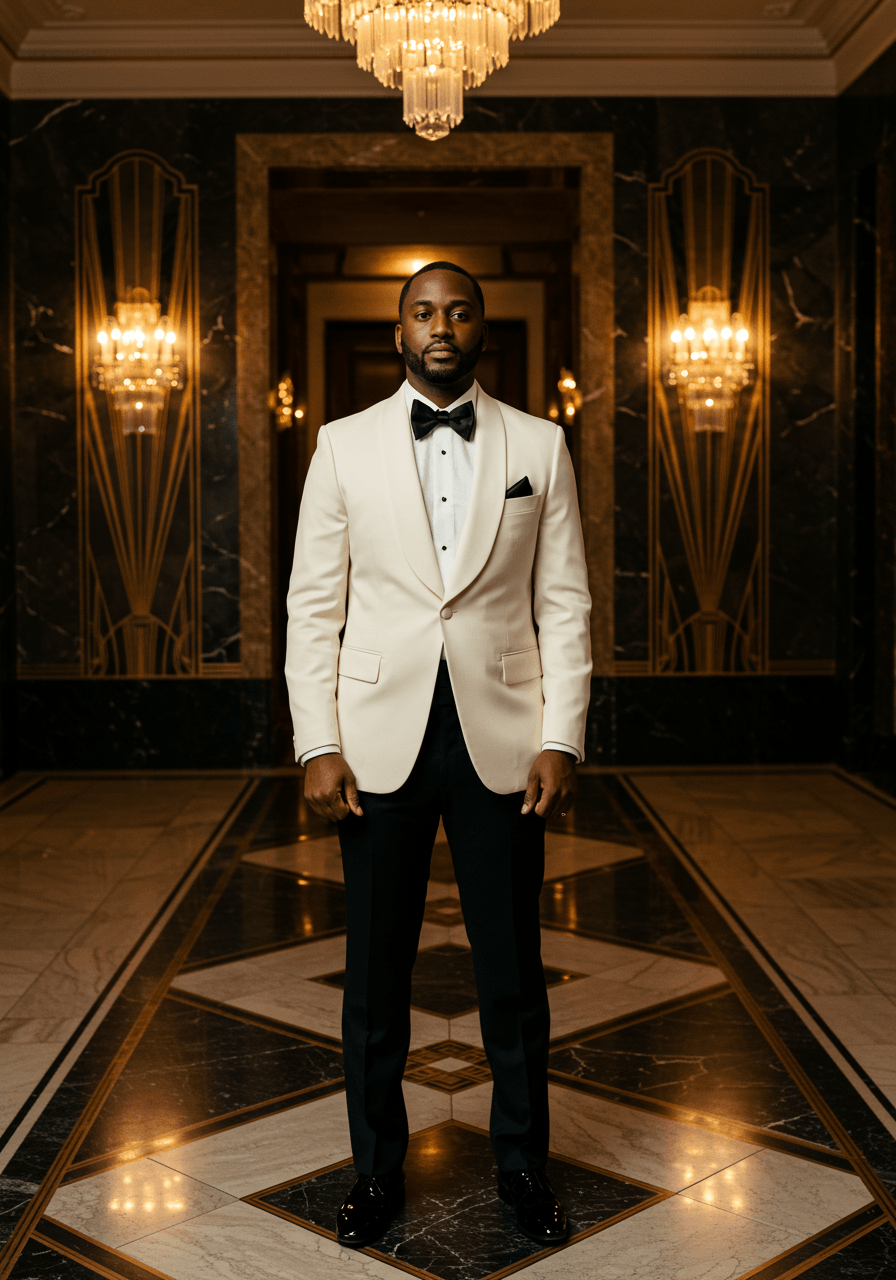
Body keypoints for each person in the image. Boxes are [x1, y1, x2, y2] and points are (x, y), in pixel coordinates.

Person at [285, 262, 592, 1249]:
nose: (440, 325)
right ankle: (376, 1172)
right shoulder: (340, 446)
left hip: (503, 736)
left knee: (512, 975)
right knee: (374, 981)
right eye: (423, 311)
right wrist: (318, 741)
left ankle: (521, 1168)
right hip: (379, 741)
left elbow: (564, 603)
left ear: (481, 324)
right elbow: (311, 609)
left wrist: (560, 732)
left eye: (457, 310)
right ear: (398, 328)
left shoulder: (539, 442)